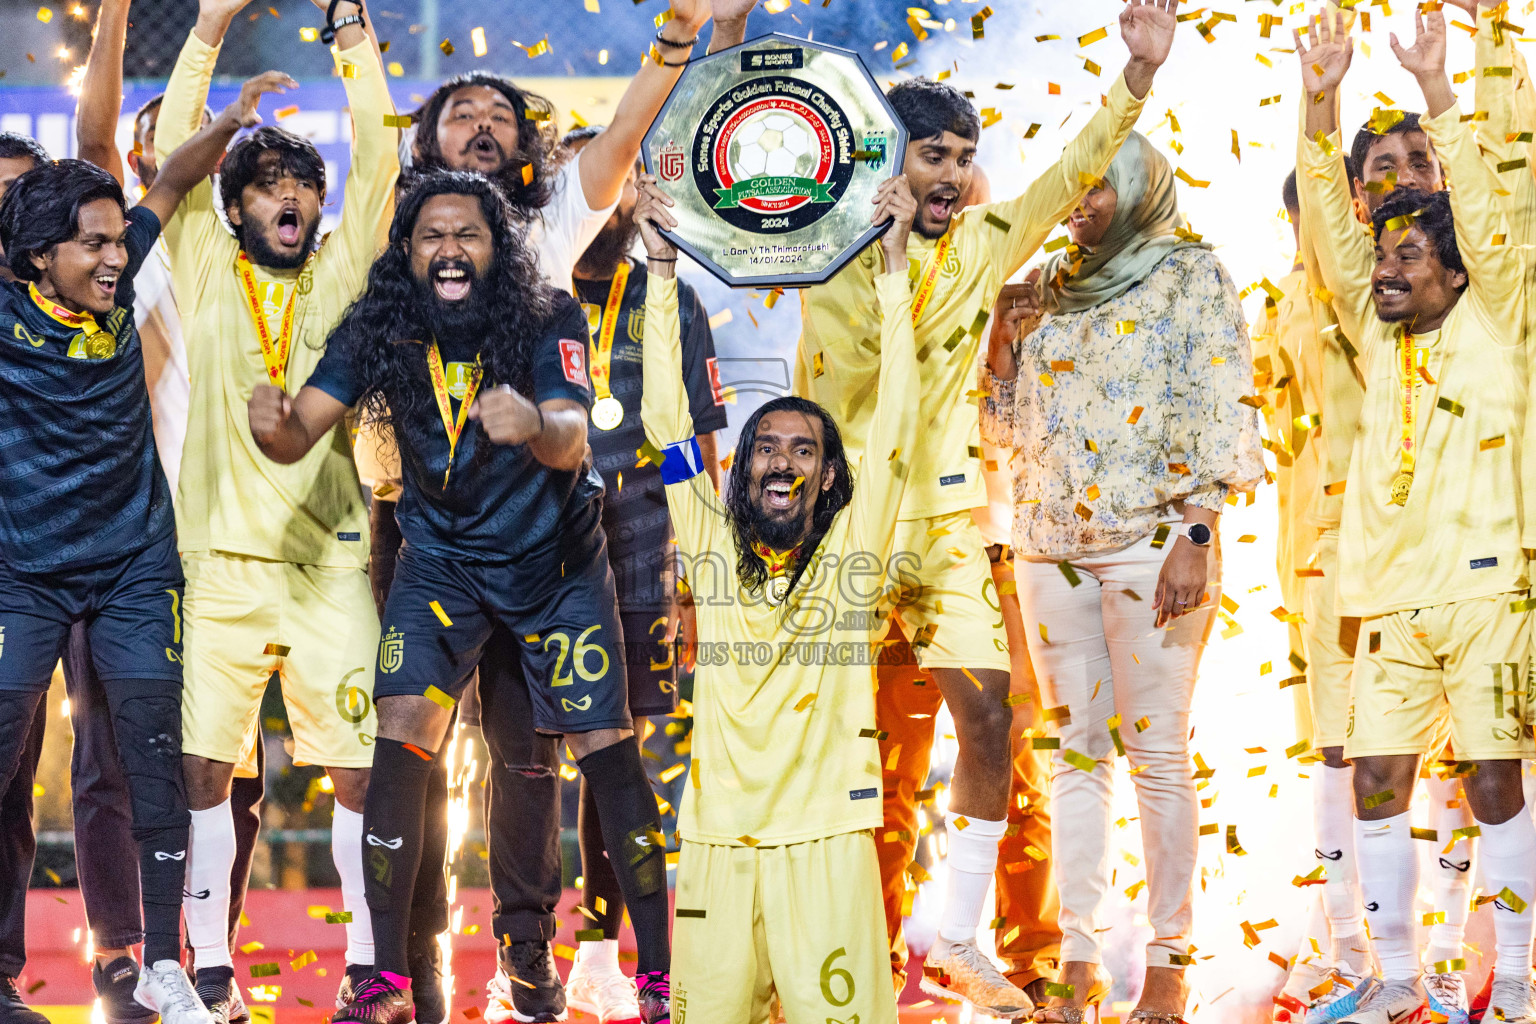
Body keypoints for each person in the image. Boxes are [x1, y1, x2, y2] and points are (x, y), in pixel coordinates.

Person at [792, 1, 1178, 1015]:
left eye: (964, 157)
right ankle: (845, 968)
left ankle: (959, 936)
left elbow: (1062, 177)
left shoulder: (977, 248)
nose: (954, 174)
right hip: (842, 542)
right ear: (887, 158)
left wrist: (1133, 79)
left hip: (958, 536)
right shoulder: (824, 251)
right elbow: (879, 368)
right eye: (934, 154)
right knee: (853, 773)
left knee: (992, 724)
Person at [248, 170, 677, 1024]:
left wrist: (536, 423)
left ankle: (663, 979)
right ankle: (386, 979)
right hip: (440, 562)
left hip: (554, 565)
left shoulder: (547, 314)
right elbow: (303, 429)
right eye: (431, 236)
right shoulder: (380, 323)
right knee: (400, 733)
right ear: (408, 254)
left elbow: (569, 435)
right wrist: (278, 428)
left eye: (467, 235)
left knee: (601, 739)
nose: (449, 249)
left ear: (497, 249)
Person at [0, 69, 297, 1024]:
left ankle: (164, 963)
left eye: (118, 242)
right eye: (93, 245)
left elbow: (165, 184)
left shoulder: (120, 283)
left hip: (134, 565)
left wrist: (230, 122)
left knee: (152, 759)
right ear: (39, 256)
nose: (116, 258)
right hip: (21, 575)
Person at [980, 129, 1262, 1023]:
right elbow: (1003, 429)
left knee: (1158, 755)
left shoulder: (1190, 273)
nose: (1083, 202)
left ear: (1143, 187)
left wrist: (1200, 528)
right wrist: (1002, 337)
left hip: (1155, 539)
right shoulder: (1050, 290)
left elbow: (1225, 398)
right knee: (1075, 755)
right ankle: (1078, 961)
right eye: (1076, 186)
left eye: (1102, 186)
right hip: (1049, 541)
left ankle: (1172, 963)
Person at [153, 0, 398, 1018]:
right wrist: (207, 28)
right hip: (215, 569)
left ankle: (366, 968)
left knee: (355, 778)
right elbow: (175, 152)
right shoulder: (206, 267)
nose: (288, 198)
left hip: (331, 570)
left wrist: (353, 40)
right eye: (268, 187)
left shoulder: (343, 269)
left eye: (302, 185)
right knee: (208, 769)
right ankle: (211, 968)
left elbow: (382, 165)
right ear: (239, 205)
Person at [635, 152, 918, 1022]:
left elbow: (900, 416)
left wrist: (899, 270)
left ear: (831, 478)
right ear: (743, 469)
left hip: (827, 836)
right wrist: (659, 272)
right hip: (718, 835)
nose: (782, 462)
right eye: (765, 446)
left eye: (805, 450)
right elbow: (666, 424)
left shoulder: (851, 553)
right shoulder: (710, 547)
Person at [1296, 9, 1536, 1023]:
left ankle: (1517, 979)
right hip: (1387, 596)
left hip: (1491, 595)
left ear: (1451, 265)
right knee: (1379, 782)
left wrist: (1445, 84)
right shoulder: (1371, 329)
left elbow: (1490, 206)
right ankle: (1394, 977)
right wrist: (1319, 98)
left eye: (1400, 260)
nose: (1379, 271)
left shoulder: (1501, 307)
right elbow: (1329, 232)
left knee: (1493, 783)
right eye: (1378, 258)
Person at [71, 4, 267, 1014]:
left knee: (229, 771)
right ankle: (122, 956)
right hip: (130, 543)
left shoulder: (258, 267)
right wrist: (115, 18)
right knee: (115, 755)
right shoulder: (129, 257)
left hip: (244, 552)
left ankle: (206, 953)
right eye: (163, 137)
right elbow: (95, 141)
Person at [875, 164, 1061, 1003]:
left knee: (1010, 755)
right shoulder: (875, 284)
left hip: (997, 552)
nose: (956, 217)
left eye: (976, 203)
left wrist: (1011, 356)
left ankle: (1032, 966)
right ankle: (872, 959)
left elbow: (1045, 447)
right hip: (885, 546)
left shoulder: (1024, 308)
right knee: (884, 769)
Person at [555, 124, 728, 1024]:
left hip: (640, 532)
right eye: (595, 184)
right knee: (529, 753)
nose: (610, 202)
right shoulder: (527, 292)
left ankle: (596, 954)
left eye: (625, 185)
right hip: (533, 533)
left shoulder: (676, 297)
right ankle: (530, 954)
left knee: (615, 747)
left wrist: (703, 567)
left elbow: (696, 443)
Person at [1253, 170, 1373, 1024]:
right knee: (1332, 750)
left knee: (1423, 749)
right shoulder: (1274, 308)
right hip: (1308, 562)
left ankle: (1438, 955)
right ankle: (1345, 947)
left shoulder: (1396, 296)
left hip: (1399, 554)